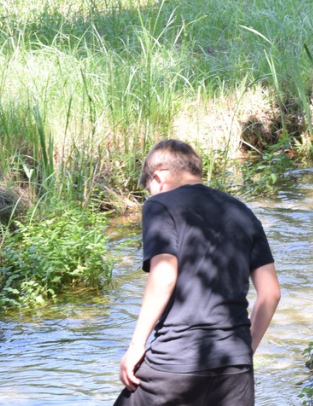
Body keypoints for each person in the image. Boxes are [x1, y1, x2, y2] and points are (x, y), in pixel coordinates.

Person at [116, 139, 280, 406]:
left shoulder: (160, 205)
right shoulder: (243, 212)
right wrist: (244, 352)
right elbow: (271, 293)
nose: (151, 195)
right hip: (234, 368)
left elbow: (165, 273)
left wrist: (136, 346)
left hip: (175, 362)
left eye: (149, 189)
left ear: (157, 178)